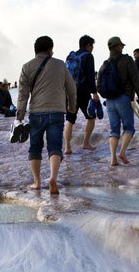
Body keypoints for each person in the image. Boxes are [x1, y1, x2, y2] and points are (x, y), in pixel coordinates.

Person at [16, 35, 77, 194]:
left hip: (36, 113)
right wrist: (72, 106)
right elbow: (72, 88)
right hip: (57, 112)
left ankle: (37, 182)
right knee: (55, 146)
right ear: (50, 49)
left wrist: (20, 115)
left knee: (35, 147)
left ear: (35, 50)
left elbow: (23, 94)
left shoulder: (27, 67)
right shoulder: (59, 64)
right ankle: (53, 178)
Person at [97, 36, 139, 167]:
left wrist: (106, 95)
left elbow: (99, 85)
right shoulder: (127, 60)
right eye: (122, 46)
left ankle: (113, 159)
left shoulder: (104, 64)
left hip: (110, 101)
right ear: (118, 46)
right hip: (124, 98)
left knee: (114, 131)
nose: (123, 48)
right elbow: (135, 79)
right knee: (129, 127)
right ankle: (122, 152)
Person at [64, 35, 100, 155]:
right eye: (92, 45)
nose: (92, 48)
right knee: (91, 117)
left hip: (69, 93)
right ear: (88, 45)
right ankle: (85, 143)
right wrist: (94, 93)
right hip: (83, 92)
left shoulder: (71, 56)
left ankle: (67, 147)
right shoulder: (88, 56)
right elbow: (90, 76)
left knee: (70, 120)